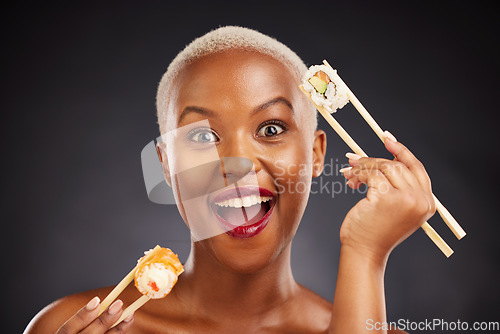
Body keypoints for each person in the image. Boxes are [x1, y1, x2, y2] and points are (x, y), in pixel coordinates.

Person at [25, 26, 434, 333]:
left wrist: (365, 253)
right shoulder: (71, 325)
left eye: (271, 129)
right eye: (203, 136)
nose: (237, 163)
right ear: (167, 166)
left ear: (315, 154)